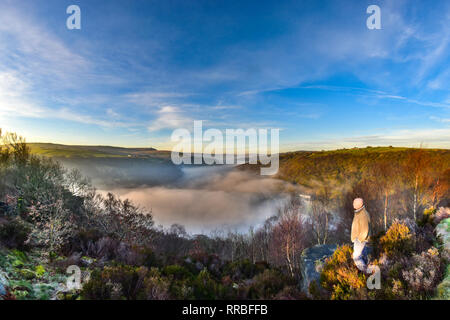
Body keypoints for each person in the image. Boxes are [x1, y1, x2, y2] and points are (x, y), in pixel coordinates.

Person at [351, 198, 371, 273]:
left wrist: (359, 239)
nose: (353, 204)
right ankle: (366, 273)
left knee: (356, 257)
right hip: (359, 239)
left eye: (354, 203)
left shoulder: (363, 214)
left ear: (359, 204)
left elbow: (365, 229)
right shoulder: (359, 213)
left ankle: (365, 272)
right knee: (363, 257)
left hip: (360, 239)